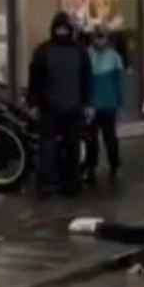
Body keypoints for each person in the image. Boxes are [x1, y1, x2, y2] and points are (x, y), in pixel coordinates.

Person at [28, 11, 92, 196]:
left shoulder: (47, 51)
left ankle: (62, 182)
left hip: (64, 106)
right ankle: (57, 182)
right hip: (58, 106)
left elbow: (85, 79)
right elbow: (36, 79)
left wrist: (87, 103)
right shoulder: (77, 51)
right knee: (53, 148)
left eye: (65, 29)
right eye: (60, 29)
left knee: (66, 147)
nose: (62, 32)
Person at [84, 25, 125, 184]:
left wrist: (119, 103)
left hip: (105, 104)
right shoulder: (89, 55)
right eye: (97, 36)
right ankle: (92, 168)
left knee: (108, 138)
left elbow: (118, 83)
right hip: (95, 105)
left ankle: (112, 165)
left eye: (102, 37)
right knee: (93, 139)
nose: (100, 40)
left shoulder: (112, 56)